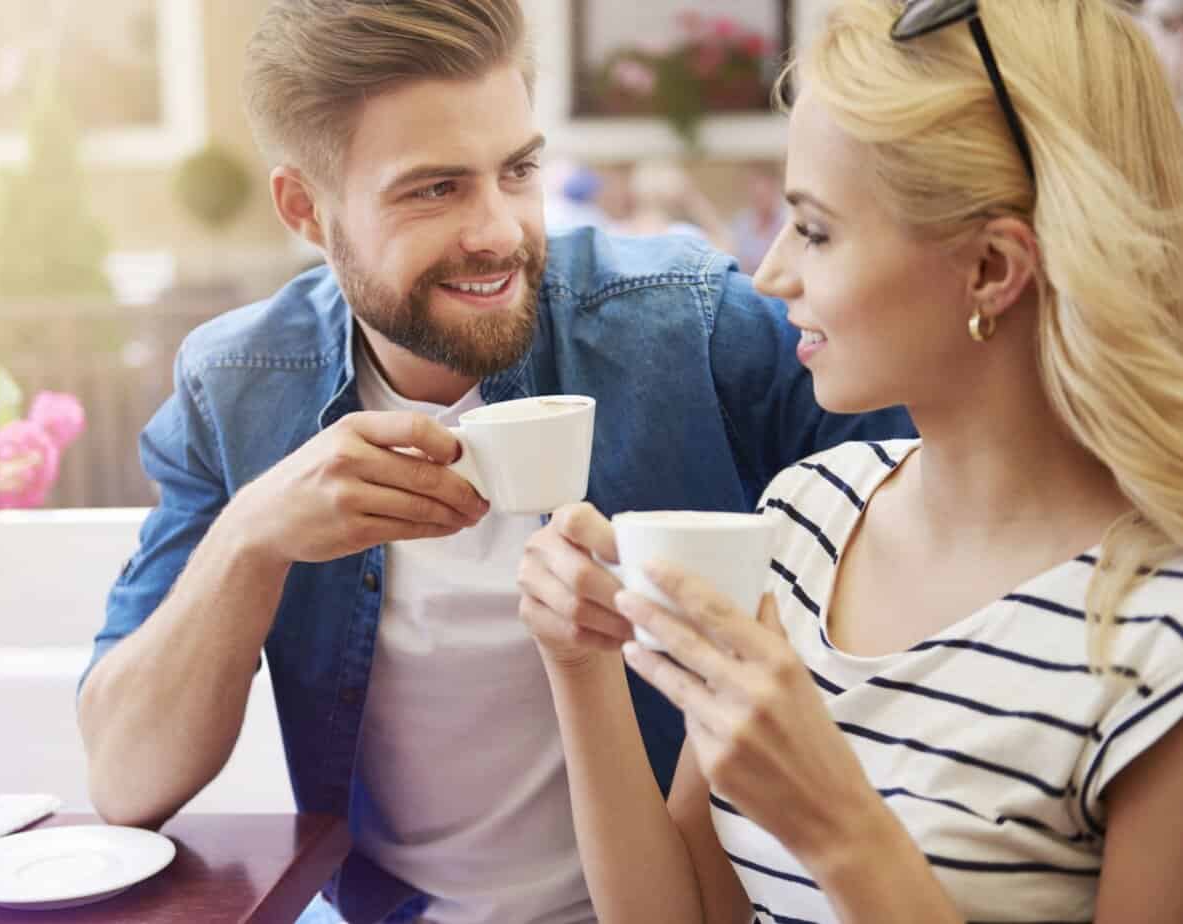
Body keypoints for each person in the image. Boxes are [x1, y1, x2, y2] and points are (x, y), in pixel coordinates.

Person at [75, 1, 909, 922]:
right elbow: (125, 781)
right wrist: (250, 542)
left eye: (516, 171)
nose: (499, 231)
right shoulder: (236, 389)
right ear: (304, 209)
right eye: (433, 189)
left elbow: (933, 511)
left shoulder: (691, 329)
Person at [517, 0, 1183, 921]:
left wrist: (836, 826)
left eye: (817, 231)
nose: (771, 274)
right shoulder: (806, 514)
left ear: (992, 268)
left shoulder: (1155, 639)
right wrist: (581, 667)